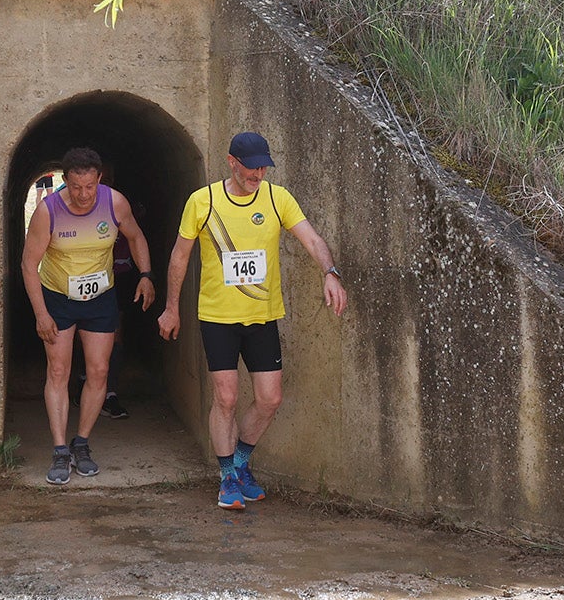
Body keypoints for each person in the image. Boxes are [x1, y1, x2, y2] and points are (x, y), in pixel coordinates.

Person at [157, 132, 347, 509]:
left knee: (269, 399)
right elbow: (179, 257)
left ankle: (241, 463)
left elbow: (311, 239)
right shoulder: (203, 201)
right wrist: (171, 307)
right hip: (218, 318)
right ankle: (226, 477)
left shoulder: (277, 198)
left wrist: (330, 270)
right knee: (225, 398)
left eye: (263, 167)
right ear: (232, 162)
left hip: (262, 317)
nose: (257, 174)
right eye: (251, 167)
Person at [22, 147, 155, 484]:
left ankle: (81, 443)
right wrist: (40, 313)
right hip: (58, 297)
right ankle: (59, 449)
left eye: (90, 187)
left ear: (99, 180)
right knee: (58, 370)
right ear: (65, 181)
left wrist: (146, 275)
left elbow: (136, 237)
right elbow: (28, 264)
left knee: (98, 370)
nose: (83, 195)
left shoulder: (115, 202)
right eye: (76, 187)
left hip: (100, 297)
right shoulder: (48, 211)